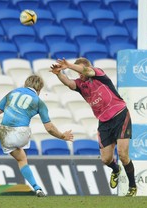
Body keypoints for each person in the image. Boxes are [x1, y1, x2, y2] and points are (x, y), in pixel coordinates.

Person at [50, 57, 137, 197]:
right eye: (79, 74)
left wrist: (69, 65)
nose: (80, 75)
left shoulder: (98, 74)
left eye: (81, 72)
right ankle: (116, 170)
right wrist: (59, 73)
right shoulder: (80, 84)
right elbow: (69, 83)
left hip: (120, 114)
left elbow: (86, 71)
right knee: (106, 159)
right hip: (104, 122)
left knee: (122, 154)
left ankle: (132, 186)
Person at [0, 75, 74, 197]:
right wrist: (62, 136)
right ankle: (37, 189)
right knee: (23, 158)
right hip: (22, 133)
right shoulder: (38, 101)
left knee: (20, 159)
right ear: (39, 89)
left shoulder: (12, 93)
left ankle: (36, 187)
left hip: (4, 132)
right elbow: (49, 128)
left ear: (26, 84)